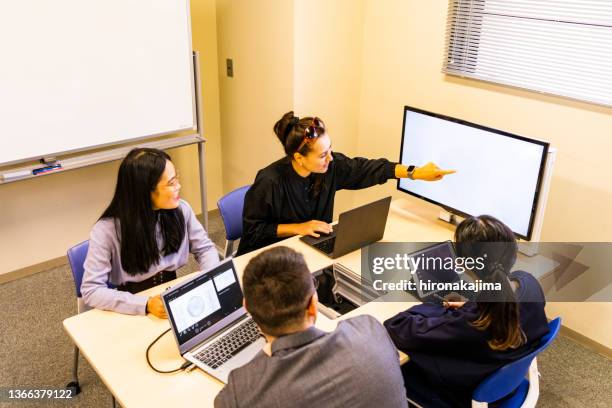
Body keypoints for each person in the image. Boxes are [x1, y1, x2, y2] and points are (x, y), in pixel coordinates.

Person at [384, 215, 550, 407]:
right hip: (504, 377)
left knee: (393, 366)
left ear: (464, 264)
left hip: (462, 392)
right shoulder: (529, 284)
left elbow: (396, 327)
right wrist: (474, 305)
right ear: (512, 251)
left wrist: (434, 308)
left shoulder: (471, 323)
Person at [214, 246, 408, 408]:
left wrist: (268, 351)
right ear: (313, 304)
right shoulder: (370, 331)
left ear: (247, 307)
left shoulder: (240, 393)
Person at [237, 111, 455, 255]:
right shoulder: (270, 182)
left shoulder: (330, 168)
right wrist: (299, 228)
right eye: (323, 155)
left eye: (330, 149)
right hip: (269, 256)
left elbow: (367, 169)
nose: (330, 158)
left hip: (310, 251)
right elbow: (254, 232)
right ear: (299, 158)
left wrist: (414, 173)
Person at [81, 148, 219, 318]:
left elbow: (205, 249)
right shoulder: (107, 230)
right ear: (145, 191)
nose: (179, 187)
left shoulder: (182, 210)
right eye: (171, 183)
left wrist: (207, 279)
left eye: (177, 179)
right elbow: (91, 290)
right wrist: (144, 304)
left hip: (171, 296)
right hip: (130, 305)